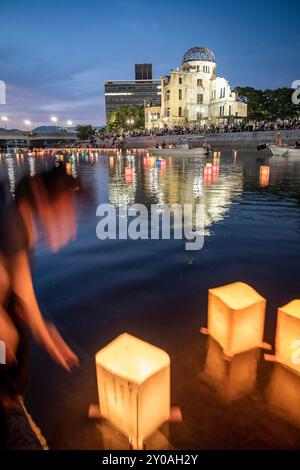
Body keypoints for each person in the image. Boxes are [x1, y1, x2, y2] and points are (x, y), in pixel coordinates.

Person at [0, 163, 82, 448]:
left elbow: (21, 286)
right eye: (63, 207)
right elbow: (13, 281)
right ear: (44, 200)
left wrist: (45, 333)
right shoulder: (12, 223)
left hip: (7, 311)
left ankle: (9, 399)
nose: (66, 217)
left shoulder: (19, 220)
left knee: (16, 332)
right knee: (5, 343)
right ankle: (6, 404)